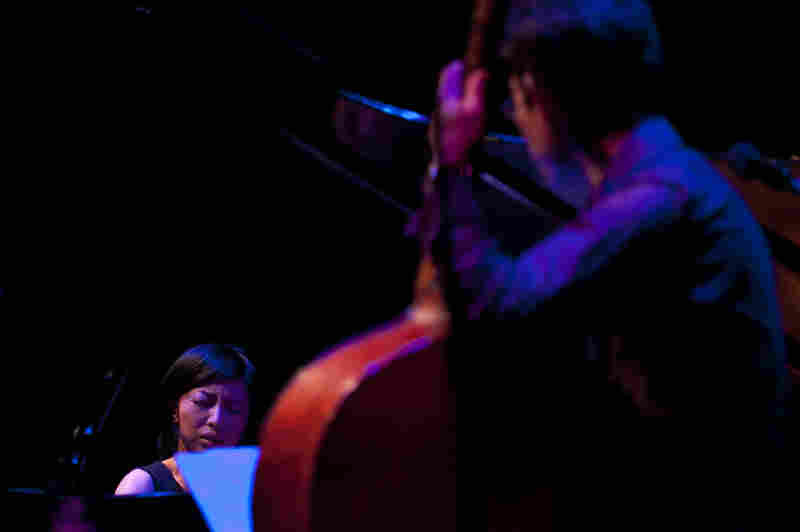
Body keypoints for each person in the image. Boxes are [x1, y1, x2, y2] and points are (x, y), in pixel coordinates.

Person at [429, 0, 792, 528]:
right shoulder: (668, 177)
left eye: (516, 95)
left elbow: (496, 304)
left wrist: (454, 163)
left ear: (539, 92)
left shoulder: (659, 200)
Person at [115, 344, 256, 494]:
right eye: (203, 402)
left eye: (233, 408)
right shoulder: (142, 486)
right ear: (175, 408)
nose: (217, 419)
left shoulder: (257, 489)